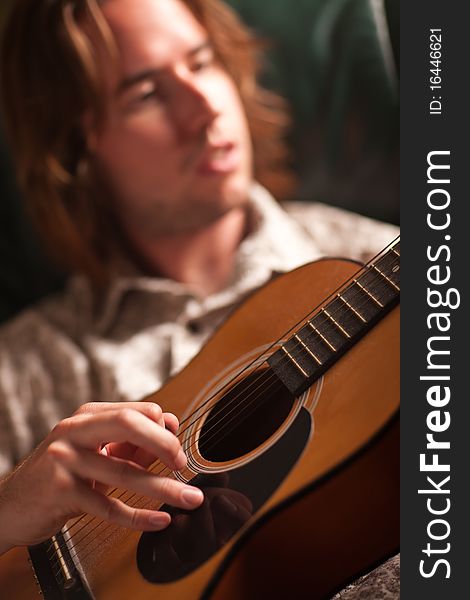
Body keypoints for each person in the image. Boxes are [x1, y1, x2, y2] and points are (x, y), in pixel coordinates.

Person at [0, 0, 398, 592]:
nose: (205, 107)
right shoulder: (21, 369)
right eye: (146, 93)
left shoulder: (378, 259)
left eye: (203, 62)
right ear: (75, 146)